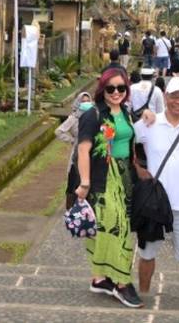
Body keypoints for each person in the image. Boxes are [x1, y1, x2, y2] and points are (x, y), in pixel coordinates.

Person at [74, 69, 142, 308]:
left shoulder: (125, 111)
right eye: (110, 88)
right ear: (102, 89)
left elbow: (129, 140)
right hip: (103, 178)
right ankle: (122, 282)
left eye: (121, 88)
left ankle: (99, 278)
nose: (116, 93)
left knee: (105, 227)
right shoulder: (92, 115)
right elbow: (83, 149)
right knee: (118, 227)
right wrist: (85, 182)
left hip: (124, 177)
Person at [133, 77, 179, 296]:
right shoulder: (150, 123)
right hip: (155, 203)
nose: (178, 102)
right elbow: (124, 141)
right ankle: (143, 294)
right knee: (146, 253)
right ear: (165, 97)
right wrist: (137, 169)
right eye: (174, 97)